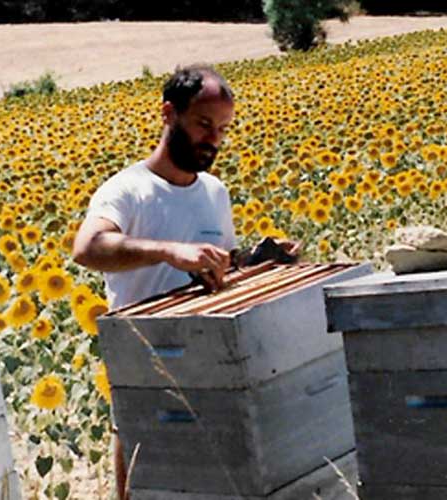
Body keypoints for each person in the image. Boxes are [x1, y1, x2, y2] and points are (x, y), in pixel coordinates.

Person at [69, 63, 292, 498]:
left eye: (223, 130)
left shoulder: (214, 192)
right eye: (204, 124)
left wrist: (259, 259)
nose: (214, 139)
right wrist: (170, 250)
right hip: (146, 369)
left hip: (210, 369)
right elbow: (88, 248)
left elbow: (216, 267)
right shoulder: (127, 189)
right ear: (169, 114)